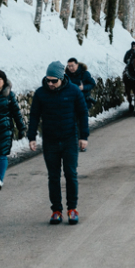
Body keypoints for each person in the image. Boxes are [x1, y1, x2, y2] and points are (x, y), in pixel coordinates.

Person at [27, 61, 90, 224]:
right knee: (53, 177)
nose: (50, 83)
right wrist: (32, 137)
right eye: (48, 80)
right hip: (50, 141)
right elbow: (34, 116)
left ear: (62, 78)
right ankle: (56, 210)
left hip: (69, 139)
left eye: (54, 81)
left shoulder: (74, 91)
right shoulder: (41, 93)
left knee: (70, 174)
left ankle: (72, 209)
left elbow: (83, 113)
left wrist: (84, 136)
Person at [0, 69, 27, 188]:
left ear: (4, 81)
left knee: (1, 154)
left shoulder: (9, 95)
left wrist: (21, 127)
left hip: (5, 129)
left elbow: (16, 112)